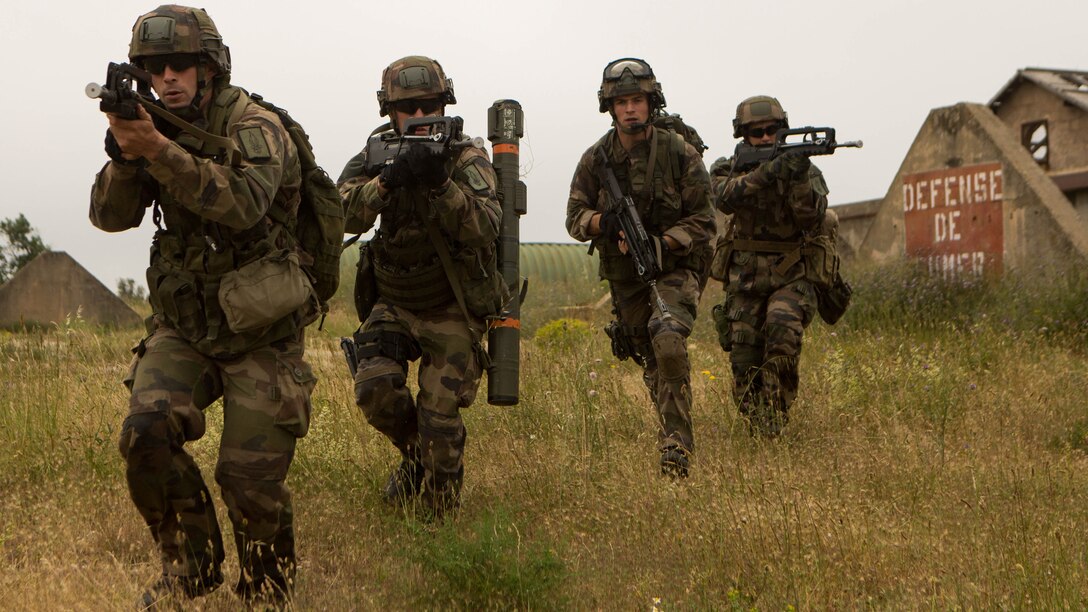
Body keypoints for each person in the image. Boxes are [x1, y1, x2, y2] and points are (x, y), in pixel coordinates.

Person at [89, 5, 317, 607]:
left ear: (210, 67)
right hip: (186, 326)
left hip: (262, 329)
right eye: (155, 67)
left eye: (181, 64)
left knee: (248, 480)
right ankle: (190, 566)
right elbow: (108, 218)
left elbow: (244, 204)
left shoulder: (255, 125)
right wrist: (125, 158)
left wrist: (156, 149)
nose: (167, 77)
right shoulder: (154, 126)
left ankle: (268, 589)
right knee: (145, 433)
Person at [338, 56, 503, 518]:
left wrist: (440, 183)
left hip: (450, 302)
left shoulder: (465, 157)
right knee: (374, 388)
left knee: (438, 416)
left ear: (443, 105)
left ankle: (437, 518)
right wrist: (384, 185)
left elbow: (486, 227)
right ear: (389, 111)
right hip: (395, 299)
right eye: (406, 108)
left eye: (427, 106)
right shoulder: (375, 154)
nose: (418, 116)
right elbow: (338, 215)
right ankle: (417, 457)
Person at [565, 58, 715, 478]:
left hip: (676, 267)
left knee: (667, 337)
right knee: (650, 356)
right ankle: (671, 419)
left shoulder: (679, 153)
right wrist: (604, 222)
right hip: (626, 274)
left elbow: (704, 220)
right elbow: (574, 217)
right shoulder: (596, 159)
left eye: (637, 100)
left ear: (652, 102)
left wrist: (663, 242)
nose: (630, 109)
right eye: (622, 102)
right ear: (610, 107)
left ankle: (676, 445)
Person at [709, 95, 829, 437]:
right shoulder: (727, 167)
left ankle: (776, 419)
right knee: (744, 362)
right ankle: (757, 425)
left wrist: (798, 176)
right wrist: (769, 172)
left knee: (782, 337)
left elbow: (811, 217)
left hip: (791, 274)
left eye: (772, 130)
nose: (764, 137)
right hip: (745, 278)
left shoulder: (803, 170)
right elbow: (724, 198)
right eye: (756, 132)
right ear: (743, 135)